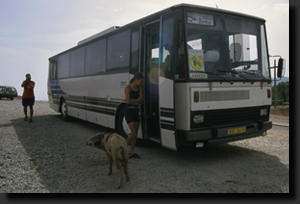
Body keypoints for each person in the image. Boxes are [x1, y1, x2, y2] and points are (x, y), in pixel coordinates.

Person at [124, 73, 144, 159]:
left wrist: (133, 100)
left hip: (136, 111)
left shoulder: (139, 88)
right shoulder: (127, 88)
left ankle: (132, 152)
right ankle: (122, 147)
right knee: (133, 133)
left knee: (135, 134)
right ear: (136, 79)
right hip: (129, 112)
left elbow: (141, 100)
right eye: (140, 81)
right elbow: (128, 102)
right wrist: (137, 101)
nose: (141, 83)